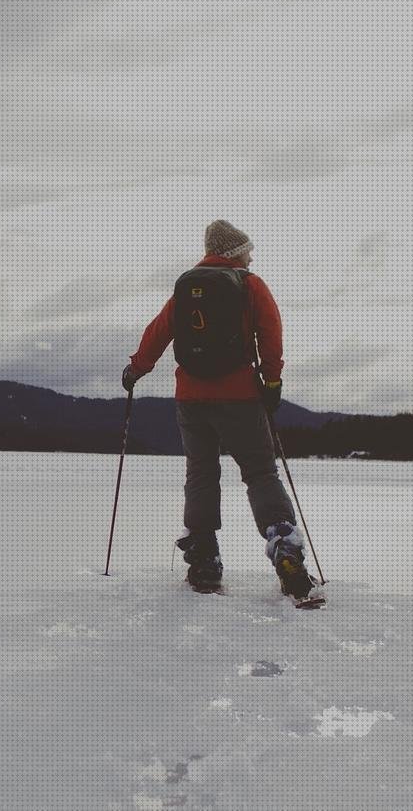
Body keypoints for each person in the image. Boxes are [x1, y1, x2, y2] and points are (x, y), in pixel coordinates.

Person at [122, 219, 314, 599]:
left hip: (191, 399)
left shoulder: (186, 288)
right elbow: (271, 333)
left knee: (201, 473)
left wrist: (136, 368)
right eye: (247, 249)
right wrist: (272, 382)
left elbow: (159, 331)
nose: (251, 255)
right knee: (260, 472)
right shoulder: (249, 284)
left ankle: (203, 557)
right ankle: (285, 548)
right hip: (239, 396)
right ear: (233, 252)